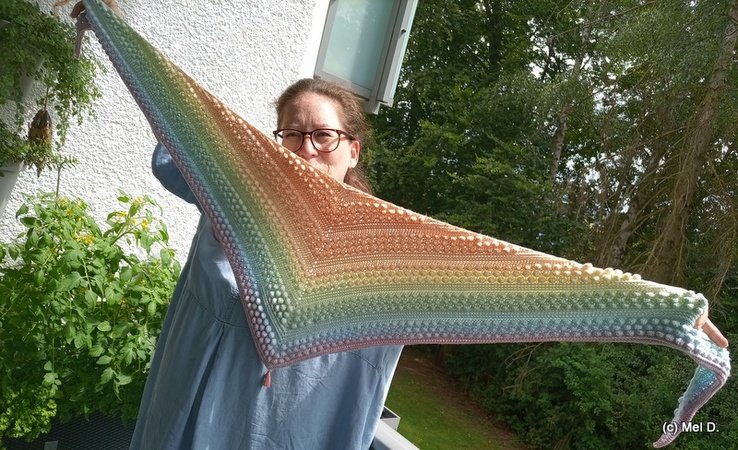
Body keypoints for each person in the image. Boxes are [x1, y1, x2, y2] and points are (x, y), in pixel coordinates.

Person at [130, 78, 403, 450]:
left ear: (353, 151)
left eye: (324, 135)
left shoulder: (380, 258)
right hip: (190, 408)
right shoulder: (235, 199)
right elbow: (172, 149)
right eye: (292, 134)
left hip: (285, 427)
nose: (306, 150)